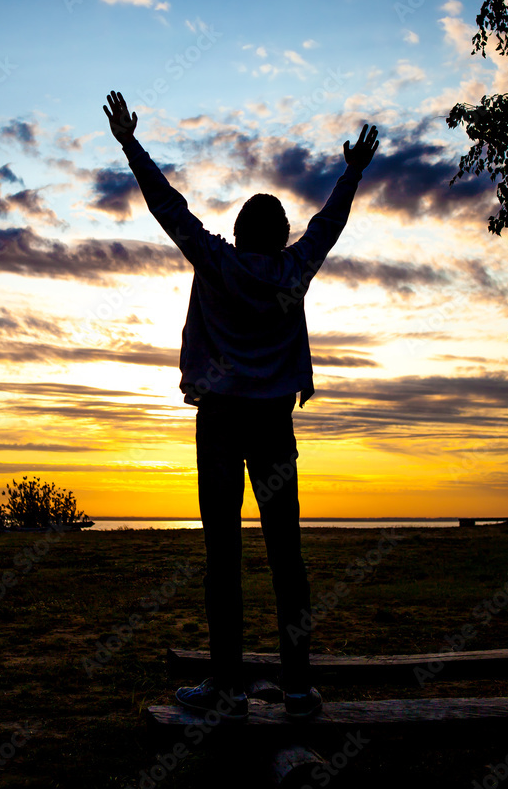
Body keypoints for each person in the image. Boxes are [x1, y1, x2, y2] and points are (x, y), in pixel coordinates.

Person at [103, 90, 379, 721]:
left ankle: (228, 691)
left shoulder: (217, 261)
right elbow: (328, 226)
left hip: (222, 421)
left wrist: (130, 143)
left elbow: (167, 207)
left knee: (222, 555)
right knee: (287, 552)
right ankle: (299, 687)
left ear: (236, 234)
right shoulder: (294, 269)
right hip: (274, 426)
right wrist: (353, 172)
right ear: (281, 237)